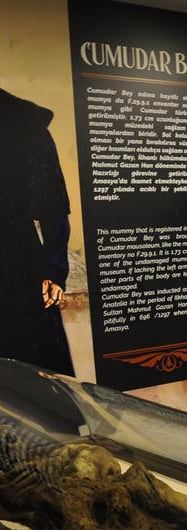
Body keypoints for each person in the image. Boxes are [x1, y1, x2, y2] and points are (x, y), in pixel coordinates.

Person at [0, 87, 74, 376]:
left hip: (17, 260)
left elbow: (54, 208)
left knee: (34, 373)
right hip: (19, 255)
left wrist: (54, 271)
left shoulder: (24, 122)